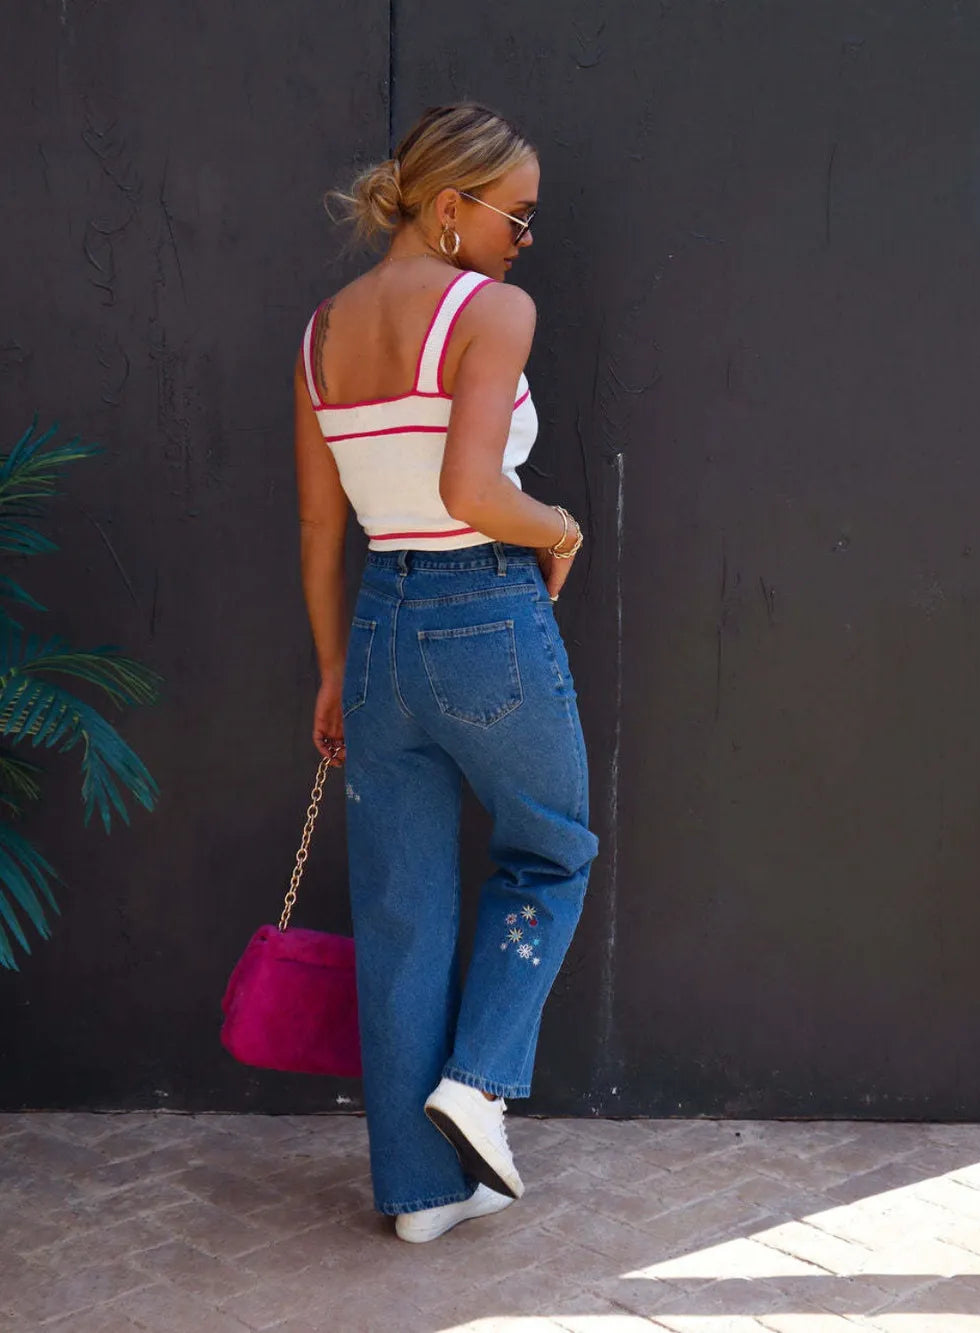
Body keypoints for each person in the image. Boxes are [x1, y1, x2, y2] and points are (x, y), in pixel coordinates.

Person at [293, 102, 599, 1243]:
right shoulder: (492, 311)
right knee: (551, 851)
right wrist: (561, 529)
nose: (525, 238)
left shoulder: (322, 331)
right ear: (449, 207)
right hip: (484, 609)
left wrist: (333, 669)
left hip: (376, 630)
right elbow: (475, 492)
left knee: (401, 910)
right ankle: (479, 1078)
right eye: (515, 215)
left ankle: (421, 1197)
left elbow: (321, 529)